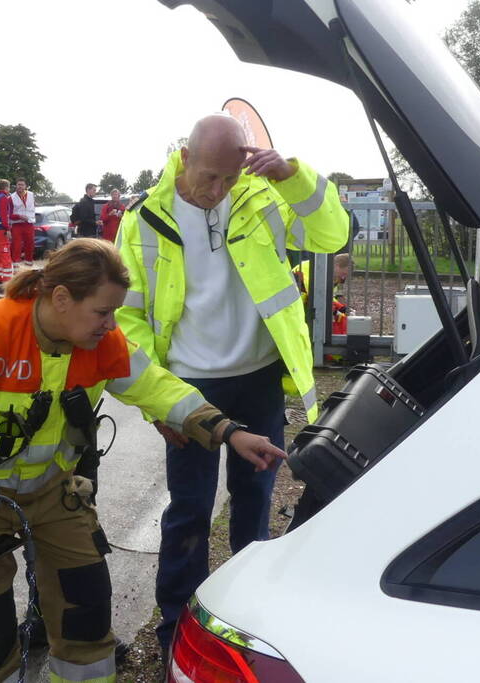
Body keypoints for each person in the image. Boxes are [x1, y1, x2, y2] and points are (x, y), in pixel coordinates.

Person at [0, 238, 284, 682]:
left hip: (51, 492)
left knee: (86, 610)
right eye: (102, 312)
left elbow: (155, 386)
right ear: (61, 299)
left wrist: (230, 432)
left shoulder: (102, 341)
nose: (111, 324)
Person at [115, 113, 348, 654]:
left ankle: (246, 623)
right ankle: (176, 626)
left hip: (259, 378)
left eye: (229, 177)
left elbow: (331, 233)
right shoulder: (144, 219)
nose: (218, 190)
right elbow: (129, 320)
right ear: (184, 156)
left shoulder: (263, 197)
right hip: (189, 389)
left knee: (254, 502)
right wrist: (160, 404)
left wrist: (294, 176)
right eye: (209, 177)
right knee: (190, 510)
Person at [9, 177, 36, 268]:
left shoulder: (31, 195)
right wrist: (19, 216)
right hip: (17, 224)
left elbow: (32, 208)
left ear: (26, 186)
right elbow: (9, 214)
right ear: (16, 186)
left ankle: (29, 264)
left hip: (29, 223)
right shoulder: (11, 198)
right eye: (18, 184)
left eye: (22, 185)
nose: (20, 186)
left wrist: (28, 217)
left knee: (30, 244)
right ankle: (16, 266)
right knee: (16, 245)